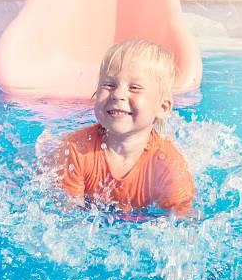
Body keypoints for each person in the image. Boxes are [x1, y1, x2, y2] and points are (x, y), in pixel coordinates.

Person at [58, 39, 195, 215]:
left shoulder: (168, 164)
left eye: (135, 87)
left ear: (162, 108)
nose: (118, 94)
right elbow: (66, 215)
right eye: (109, 85)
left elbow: (184, 219)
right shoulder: (76, 149)